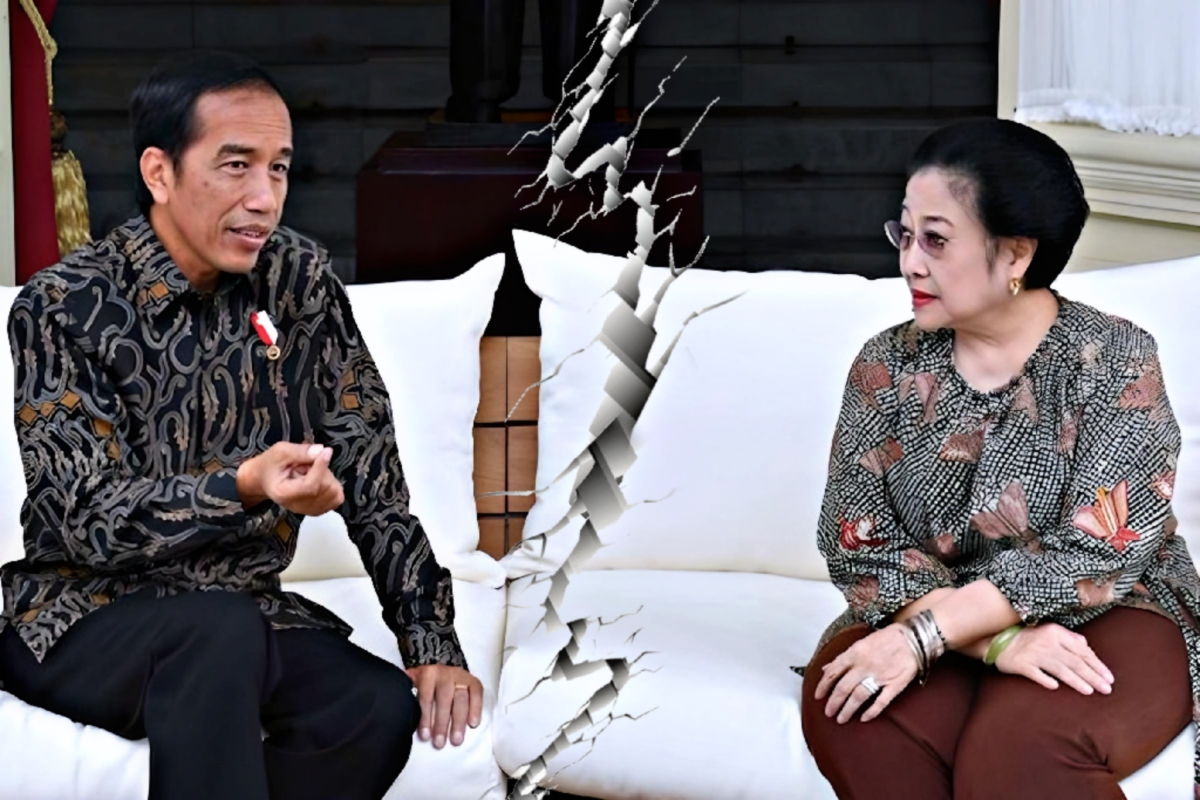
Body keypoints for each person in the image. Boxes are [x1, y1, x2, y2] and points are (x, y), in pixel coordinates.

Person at [0, 51, 484, 800]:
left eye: (279, 168)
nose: (264, 197)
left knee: (373, 707)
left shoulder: (299, 282)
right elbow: (88, 520)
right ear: (159, 172)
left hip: (243, 617)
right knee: (217, 630)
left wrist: (430, 638)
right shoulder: (65, 305)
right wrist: (243, 485)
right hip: (81, 619)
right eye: (236, 166)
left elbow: (373, 477)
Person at [799, 118, 1199, 799]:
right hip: (927, 608)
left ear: (1015, 254)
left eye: (936, 239)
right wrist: (994, 642)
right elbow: (857, 543)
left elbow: (1097, 552)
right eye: (905, 234)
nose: (910, 263)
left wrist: (927, 636)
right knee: (855, 709)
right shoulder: (883, 365)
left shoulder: (1114, 359)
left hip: (1113, 608)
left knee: (1019, 751)